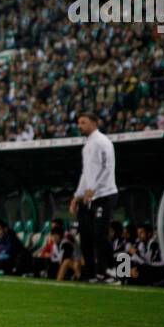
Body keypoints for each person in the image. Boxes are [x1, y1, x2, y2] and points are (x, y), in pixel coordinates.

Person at [70, 111, 118, 283]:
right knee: (86, 236)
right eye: (79, 123)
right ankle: (91, 274)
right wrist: (77, 196)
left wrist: (94, 188)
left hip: (105, 195)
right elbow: (85, 174)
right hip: (90, 197)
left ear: (93, 123)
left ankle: (113, 271)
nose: (79, 126)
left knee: (99, 234)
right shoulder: (87, 146)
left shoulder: (103, 142)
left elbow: (108, 167)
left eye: (83, 122)